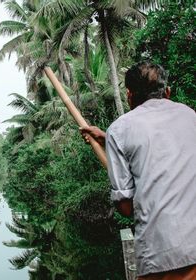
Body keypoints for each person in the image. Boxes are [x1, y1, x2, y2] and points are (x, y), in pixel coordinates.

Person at [80, 61, 196, 279]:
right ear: (167, 91)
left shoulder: (120, 130)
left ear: (129, 95)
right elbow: (164, 145)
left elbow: (125, 208)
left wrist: (112, 141)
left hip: (164, 253)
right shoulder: (190, 116)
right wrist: (106, 139)